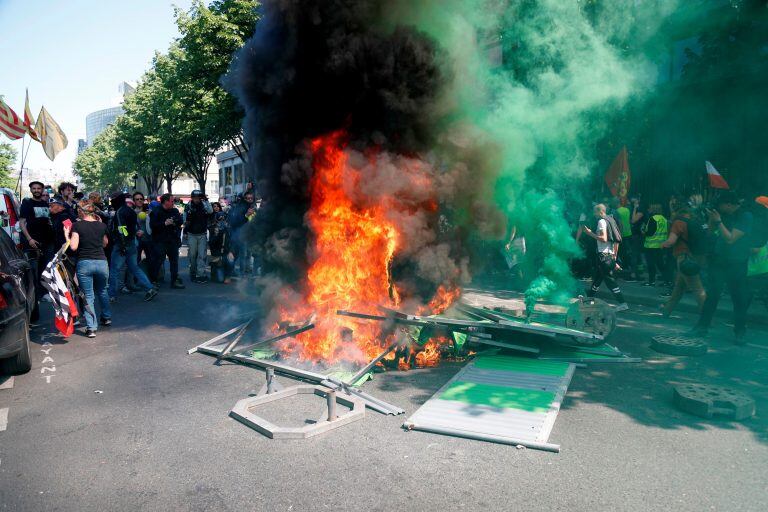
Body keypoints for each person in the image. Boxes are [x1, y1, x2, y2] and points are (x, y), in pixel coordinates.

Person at [690, 191, 753, 343]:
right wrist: (712, 221)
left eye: (721, 206)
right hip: (719, 261)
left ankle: (740, 332)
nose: (719, 209)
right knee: (713, 295)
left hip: (737, 263)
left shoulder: (745, 216)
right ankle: (701, 327)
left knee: (738, 298)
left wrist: (718, 222)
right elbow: (711, 234)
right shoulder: (722, 215)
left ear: (729, 205)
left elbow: (730, 239)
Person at [63, 200, 112, 338]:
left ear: (82, 212)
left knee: (88, 296)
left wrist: (67, 235)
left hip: (84, 263)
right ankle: (107, 317)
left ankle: (91, 328)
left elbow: (73, 247)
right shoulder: (101, 225)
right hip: (102, 262)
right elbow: (105, 243)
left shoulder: (77, 226)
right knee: (103, 291)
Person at [107, 193, 158, 303]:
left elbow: (122, 228)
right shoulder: (130, 211)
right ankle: (149, 288)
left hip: (122, 245)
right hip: (131, 243)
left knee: (114, 270)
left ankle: (112, 295)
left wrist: (123, 243)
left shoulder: (120, 211)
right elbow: (131, 228)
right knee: (135, 268)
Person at [660, 206, 707, 317]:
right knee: (679, 287)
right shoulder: (695, 222)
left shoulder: (678, 223)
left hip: (684, 258)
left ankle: (706, 317)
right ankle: (666, 310)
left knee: (697, 288)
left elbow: (671, 241)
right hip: (696, 257)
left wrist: (662, 244)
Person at [581, 203, 628, 311]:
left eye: (595, 212)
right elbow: (617, 241)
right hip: (609, 256)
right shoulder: (611, 220)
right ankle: (589, 300)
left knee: (609, 281)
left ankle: (623, 303)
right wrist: (614, 258)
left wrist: (589, 233)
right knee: (597, 279)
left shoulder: (602, 222)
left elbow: (603, 238)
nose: (594, 214)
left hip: (603, 257)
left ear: (599, 211)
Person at [19, 181, 56, 321]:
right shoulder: (27, 203)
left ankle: (43, 293)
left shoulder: (46, 203)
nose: (36, 190)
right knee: (33, 271)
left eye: (38, 188)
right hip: (33, 243)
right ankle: (34, 299)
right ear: (31, 190)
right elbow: (22, 222)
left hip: (47, 243)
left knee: (46, 269)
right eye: (34, 188)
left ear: (42, 190)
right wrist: (29, 239)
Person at [150, 193, 185, 289]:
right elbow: (153, 225)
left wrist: (173, 221)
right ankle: (154, 281)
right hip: (160, 241)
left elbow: (180, 220)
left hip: (172, 240)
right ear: (165, 201)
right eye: (171, 201)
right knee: (158, 262)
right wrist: (164, 223)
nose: (173, 203)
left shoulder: (174, 210)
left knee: (174, 262)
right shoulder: (156, 211)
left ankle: (174, 281)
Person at [184, 190, 213, 283]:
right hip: (191, 234)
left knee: (202, 255)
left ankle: (201, 275)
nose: (197, 199)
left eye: (198, 197)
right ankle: (193, 272)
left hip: (202, 234)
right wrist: (185, 231)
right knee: (192, 255)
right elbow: (185, 220)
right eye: (195, 197)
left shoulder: (204, 205)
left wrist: (206, 200)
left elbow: (210, 211)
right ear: (192, 198)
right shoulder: (188, 206)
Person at [641, 203, 671, 287]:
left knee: (650, 264)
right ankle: (667, 281)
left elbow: (650, 232)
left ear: (654, 210)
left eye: (650, 208)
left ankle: (651, 281)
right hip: (660, 245)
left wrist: (643, 231)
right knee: (660, 264)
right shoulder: (664, 219)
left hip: (651, 246)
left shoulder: (652, 219)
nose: (649, 210)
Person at [228, 191, 257, 276]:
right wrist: (246, 215)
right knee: (242, 255)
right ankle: (241, 273)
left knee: (248, 254)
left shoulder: (253, 207)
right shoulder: (241, 207)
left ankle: (246, 271)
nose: (250, 200)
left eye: (251, 198)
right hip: (240, 235)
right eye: (248, 198)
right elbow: (236, 221)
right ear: (244, 199)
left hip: (250, 234)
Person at [209, 202, 235, 284]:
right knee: (219, 279)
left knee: (231, 260)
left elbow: (233, 241)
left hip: (226, 253)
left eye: (223, 219)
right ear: (216, 220)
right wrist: (216, 234)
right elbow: (211, 243)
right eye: (220, 219)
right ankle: (218, 272)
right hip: (217, 254)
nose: (222, 221)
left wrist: (231, 251)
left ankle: (228, 275)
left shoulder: (229, 229)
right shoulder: (213, 228)